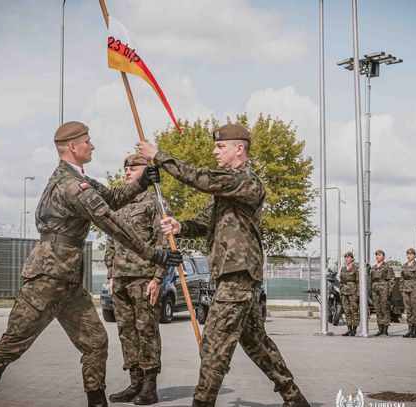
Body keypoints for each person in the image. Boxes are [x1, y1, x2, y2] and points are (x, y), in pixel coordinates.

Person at [0, 121, 182, 407]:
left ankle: (96, 400)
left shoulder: (79, 180)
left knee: (95, 342)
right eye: (88, 141)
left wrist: (141, 182)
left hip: (68, 280)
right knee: (14, 343)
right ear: (72, 146)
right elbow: (109, 220)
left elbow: (112, 198)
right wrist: (153, 254)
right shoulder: (70, 185)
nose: (93, 145)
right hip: (47, 277)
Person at [137, 123, 310, 407]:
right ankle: (294, 398)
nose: (215, 151)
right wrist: (181, 226)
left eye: (221, 147)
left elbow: (200, 178)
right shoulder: (227, 187)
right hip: (230, 275)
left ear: (239, 149)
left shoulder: (244, 181)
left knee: (213, 347)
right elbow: (207, 221)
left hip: (238, 275)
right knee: (257, 344)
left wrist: (159, 156)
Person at [104, 154, 169, 405]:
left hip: (144, 277)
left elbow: (163, 242)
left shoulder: (155, 202)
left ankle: (150, 386)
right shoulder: (119, 203)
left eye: (134, 168)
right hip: (120, 278)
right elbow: (112, 239)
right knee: (126, 331)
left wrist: (157, 277)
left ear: (146, 171)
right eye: (126, 168)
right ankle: (135, 382)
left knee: (146, 331)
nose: (128, 171)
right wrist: (110, 273)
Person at [400, 248, 416, 338]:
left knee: (415, 309)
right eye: (407, 254)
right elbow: (401, 279)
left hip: (415, 288)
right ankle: (410, 329)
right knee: (408, 309)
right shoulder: (404, 266)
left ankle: (415, 330)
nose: (409, 255)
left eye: (411, 254)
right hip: (405, 289)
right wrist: (401, 289)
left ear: (414, 255)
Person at [370, 249, 395, 337]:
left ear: (383, 256)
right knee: (377, 309)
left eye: (379, 255)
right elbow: (371, 280)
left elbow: (392, 280)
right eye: (376, 255)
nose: (377, 256)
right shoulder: (373, 267)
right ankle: (380, 329)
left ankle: (385, 329)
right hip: (375, 289)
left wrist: (389, 291)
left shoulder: (387, 267)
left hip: (384, 289)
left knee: (385, 309)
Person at [339, 252, 359, 336]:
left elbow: (358, 281)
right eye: (345, 258)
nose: (346, 259)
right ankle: (349, 329)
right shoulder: (343, 269)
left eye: (348, 257)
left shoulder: (356, 268)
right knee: (346, 311)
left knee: (353, 310)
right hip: (344, 292)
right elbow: (341, 280)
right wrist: (341, 288)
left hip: (353, 291)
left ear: (352, 258)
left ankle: (354, 329)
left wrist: (358, 293)